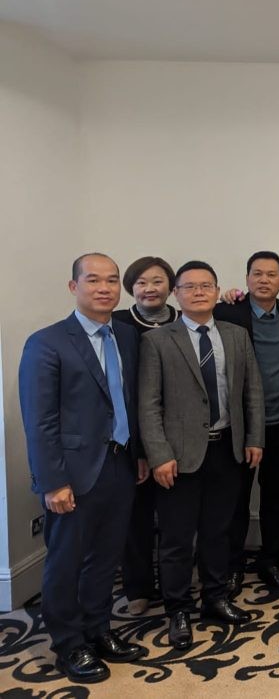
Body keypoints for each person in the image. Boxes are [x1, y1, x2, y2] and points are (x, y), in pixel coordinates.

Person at [19, 253, 146, 683]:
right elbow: (39, 420)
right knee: (66, 561)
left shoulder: (125, 335)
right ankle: (68, 643)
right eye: (93, 280)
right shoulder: (47, 342)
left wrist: (138, 453)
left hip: (120, 464)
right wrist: (52, 481)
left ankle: (98, 629)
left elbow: (127, 401)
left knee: (106, 557)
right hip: (71, 472)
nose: (104, 288)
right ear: (74, 287)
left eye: (111, 280)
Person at [139, 261, 264, 650]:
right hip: (178, 457)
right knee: (177, 538)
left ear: (216, 291)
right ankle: (178, 609)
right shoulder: (158, 341)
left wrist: (254, 438)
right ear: (175, 294)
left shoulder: (236, 335)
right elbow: (149, 404)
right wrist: (159, 455)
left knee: (218, 531)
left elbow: (252, 392)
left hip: (227, 448)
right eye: (189, 286)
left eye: (205, 286)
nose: (198, 292)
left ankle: (215, 597)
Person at [214, 251, 279, 593]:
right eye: (257, 274)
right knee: (235, 498)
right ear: (247, 278)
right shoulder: (227, 313)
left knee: (276, 498)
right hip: (241, 425)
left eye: (271, 274)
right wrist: (224, 295)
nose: (264, 280)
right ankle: (232, 565)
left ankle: (271, 559)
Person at [112, 255, 179, 617]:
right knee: (136, 516)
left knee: (174, 515)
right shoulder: (118, 325)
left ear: (171, 286)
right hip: (134, 433)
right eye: (141, 283)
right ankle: (138, 587)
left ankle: (174, 582)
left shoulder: (186, 318)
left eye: (157, 281)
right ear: (131, 288)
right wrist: (140, 448)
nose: (150, 289)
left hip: (179, 435)